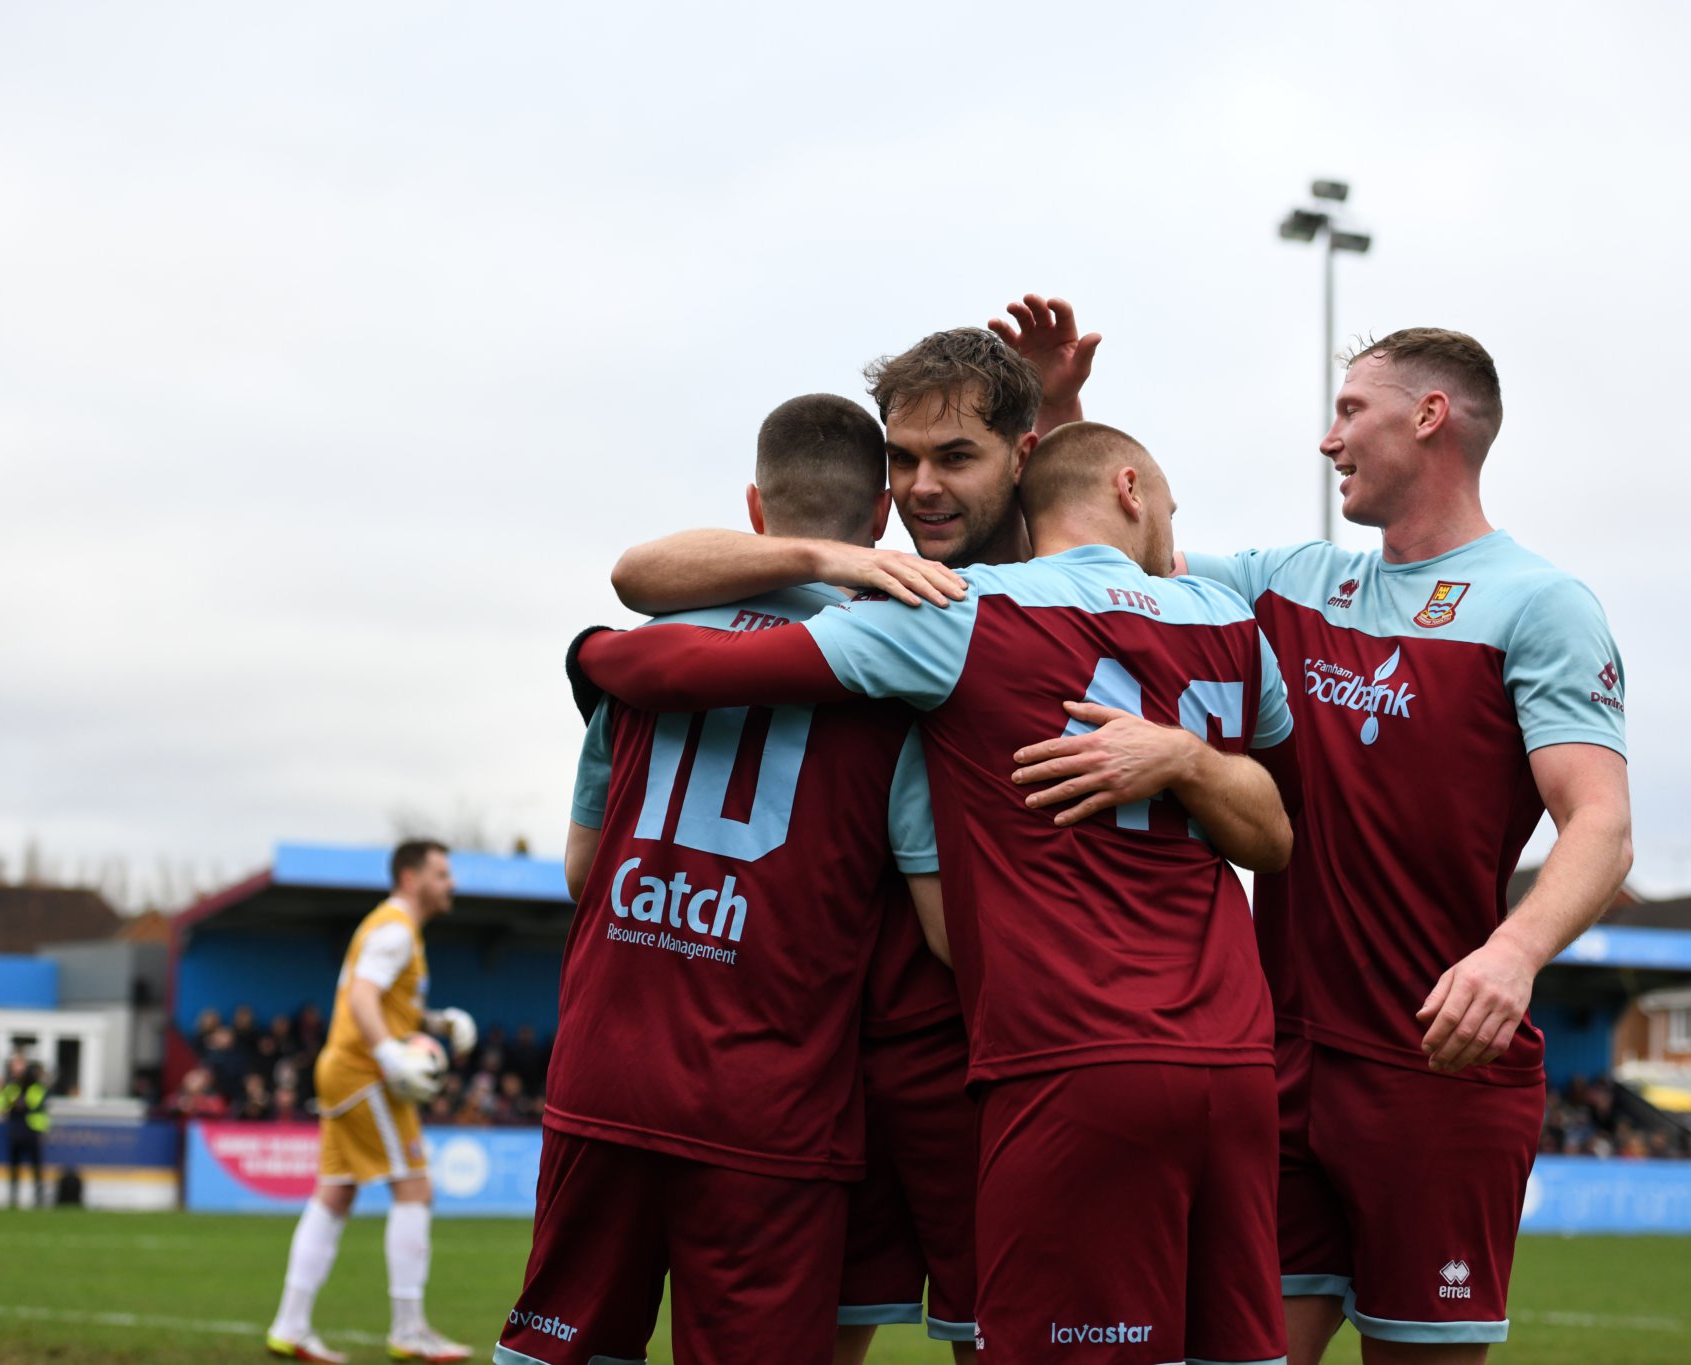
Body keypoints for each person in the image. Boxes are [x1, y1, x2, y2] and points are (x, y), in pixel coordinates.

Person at [575, 419, 1296, 1365]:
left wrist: (596, 658)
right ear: (1132, 488)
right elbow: (1277, 833)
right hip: (1223, 1058)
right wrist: (1197, 756)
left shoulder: (967, 611)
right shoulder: (1224, 618)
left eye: (951, 457)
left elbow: (691, 649)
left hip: (1053, 1057)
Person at [1034, 327, 1632, 1362]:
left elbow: (1602, 825)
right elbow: (1106, 555)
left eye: (1351, 411)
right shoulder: (1290, 582)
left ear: (1429, 417)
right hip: (1278, 1067)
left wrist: (1511, 953)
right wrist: (1058, 422)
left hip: (1438, 1070)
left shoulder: (1539, 605)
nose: (1328, 439)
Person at [606, 300, 1094, 1362]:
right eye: (906, 460)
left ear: (1021, 456)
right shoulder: (873, 602)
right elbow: (641, 575)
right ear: (877, 497)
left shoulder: (1038, 596)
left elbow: (1100, 517)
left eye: (955, 456)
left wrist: (1190, 759)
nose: (925, 486)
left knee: (998, 1335)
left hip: (983, 1057)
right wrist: (835, 564)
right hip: (827, 1066)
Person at [496, 394, 940, 1365]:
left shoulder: (645, 658)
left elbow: (581, 867)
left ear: (752, 507)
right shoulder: (895, 674)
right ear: (878, 521)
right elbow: (939, 926)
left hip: (605, 1065)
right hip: (767, 1090)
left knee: (557, 1345)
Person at [265, 839, 479, 1365]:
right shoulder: (396, 930)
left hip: (343, 1069)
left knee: (335, 1194)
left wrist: (438, 1022)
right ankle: (409, 1331)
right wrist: (389, 1055)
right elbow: (362, 997)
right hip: (364, 1074)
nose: (450, 884)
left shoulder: (391, 928)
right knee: (416, 1187)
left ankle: (289, 1326)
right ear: (411, 878)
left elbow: (383, 1000)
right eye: (441, 873)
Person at [1, 1055, 50, 1209]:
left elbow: (31, 1103)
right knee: (15, 1166)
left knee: (36, 1166)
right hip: (16, 1130)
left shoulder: (36, 1086)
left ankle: (39, 1198)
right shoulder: (11, 1086)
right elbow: (6, 1102)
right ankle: (13, 1198)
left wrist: (19, 1103)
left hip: (31, 1131)